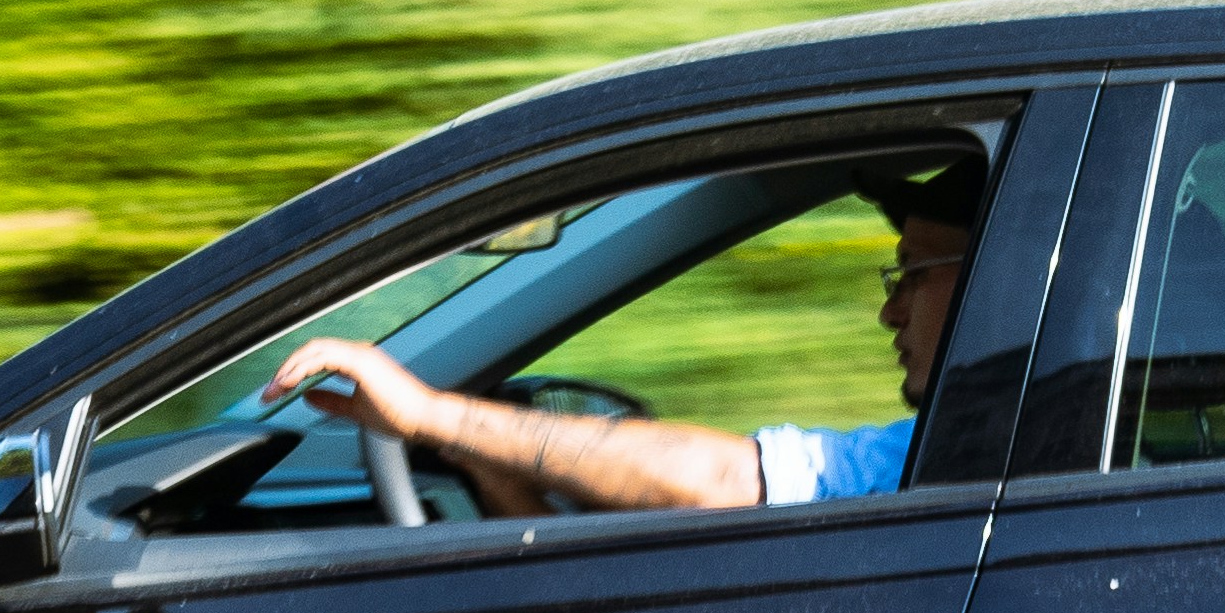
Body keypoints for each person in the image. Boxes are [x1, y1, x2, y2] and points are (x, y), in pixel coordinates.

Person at [269, 163, 982, 516]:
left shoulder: (985, 453)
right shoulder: (968, 455)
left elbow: (731, 481)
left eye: (913, 274)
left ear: (993, 274)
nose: (890, 313)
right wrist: (501, 475)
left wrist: (433, 415)